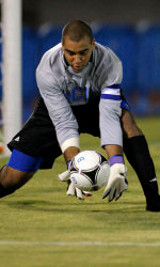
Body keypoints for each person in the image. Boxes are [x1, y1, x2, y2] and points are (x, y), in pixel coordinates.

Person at [0, 20, 159, 212]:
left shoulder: (109, 62)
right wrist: (73, 166)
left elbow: (109, 115)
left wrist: (117, 164)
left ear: (93, 44)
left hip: (96, 103)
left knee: (127, 123)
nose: (77, 59)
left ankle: (154, 199)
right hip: (57, 110)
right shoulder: (47, 68)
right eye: (71, 53)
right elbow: (64, 121)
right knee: (13, 177)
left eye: (83, 52)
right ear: (62, 47)